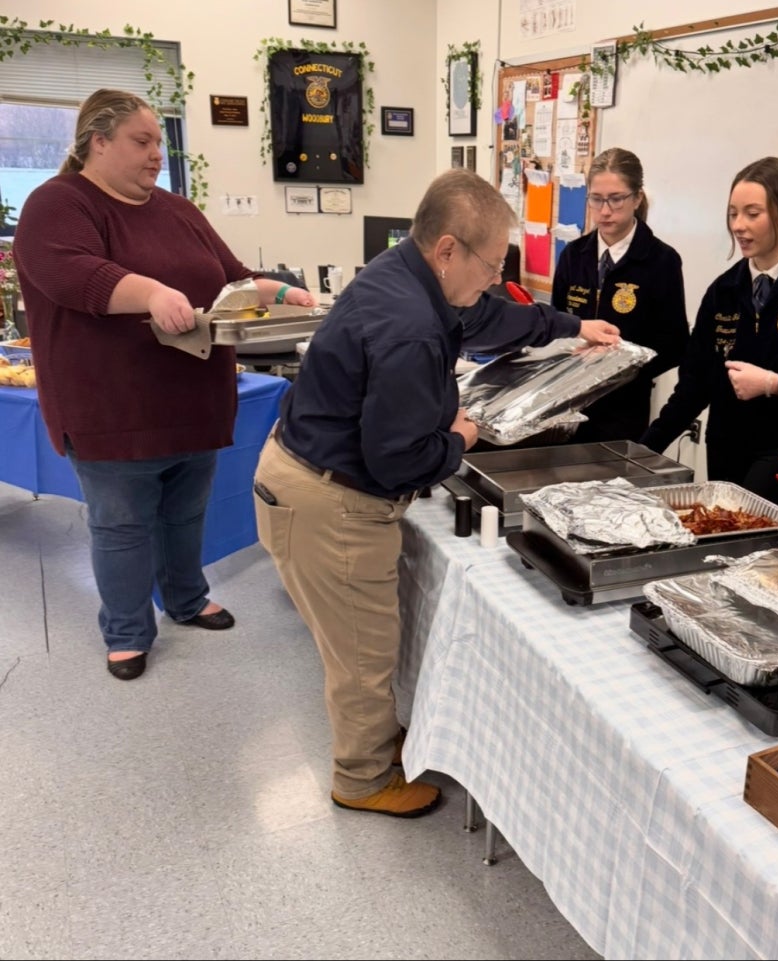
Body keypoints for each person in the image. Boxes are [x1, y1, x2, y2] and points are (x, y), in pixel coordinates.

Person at [253, 169, 620, 819]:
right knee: (364, 651)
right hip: (329, 502)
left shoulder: (409, 270)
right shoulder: (410, 324)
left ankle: (375, 744)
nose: (495, 276)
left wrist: (568, 327)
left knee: (363, 640)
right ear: (448, 248)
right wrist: (464, 434)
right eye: (493, 262)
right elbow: (398, 459)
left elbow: (486, 316)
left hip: (302, 474)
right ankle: (361, 777)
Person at [12, 88, 315, 682]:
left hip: (192, 400)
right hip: (112, 409)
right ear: (97, 143)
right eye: (141, 142)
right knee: (121, 525)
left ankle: (185, 596)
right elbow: (74, 275)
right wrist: (151, 292)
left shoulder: (177, 210)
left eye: (159, 143)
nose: (156, 154)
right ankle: (126, 629)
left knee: (185, 512)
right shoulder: (57, 204)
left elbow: (233, 279)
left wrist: (281, 293)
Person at [641, 156, 778, 514]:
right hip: (727, 447)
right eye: (733, 213)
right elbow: (695, 385)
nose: (739, 226)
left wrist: (774, 383)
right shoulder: (724, 291)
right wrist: (642, 452)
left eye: (752, 213)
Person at [550, 147, 689, 443]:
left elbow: (675, 343)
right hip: (568, 402)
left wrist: (622, 367)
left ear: (637, 198)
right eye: (596, 199)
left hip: (624, 409)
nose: (605, 210)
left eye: (616, 199)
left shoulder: (661, 260)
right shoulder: (573, 255)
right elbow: (557, 323)